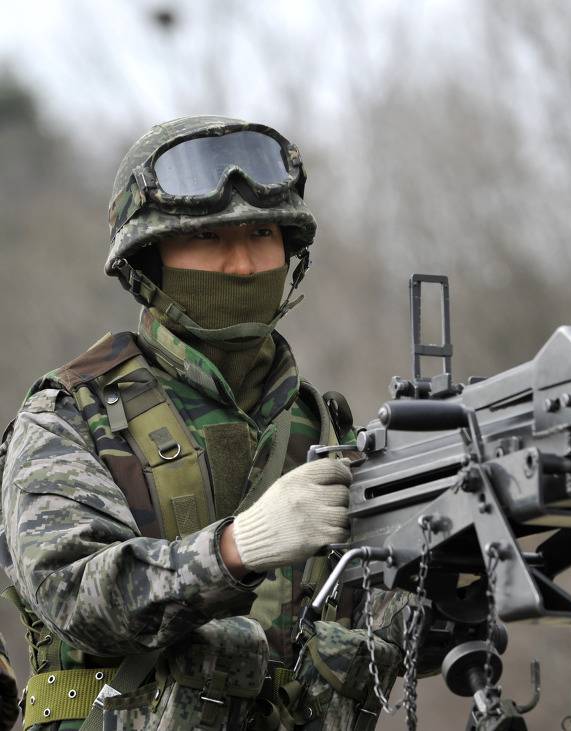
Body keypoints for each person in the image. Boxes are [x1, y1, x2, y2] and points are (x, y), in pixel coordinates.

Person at [0, 116, 404, 730]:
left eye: (262, 233)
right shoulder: (70, 417)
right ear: (150, 260)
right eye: (210, 238)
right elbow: (72, 592)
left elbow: (392, 642)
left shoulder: (324, 431)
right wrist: (238, 549)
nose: (242, 265)